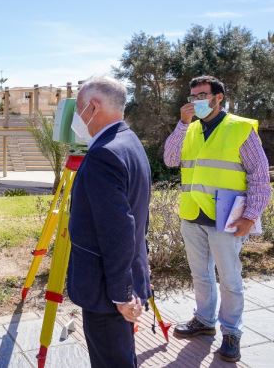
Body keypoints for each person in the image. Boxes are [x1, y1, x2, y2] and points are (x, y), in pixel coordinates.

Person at [164, 75, 271, 362]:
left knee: (230, 279)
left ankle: (232, 332)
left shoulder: (240, 128)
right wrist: (182, 124)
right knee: (200, 275)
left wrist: (251, 215)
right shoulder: (189, 129)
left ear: (218, 97)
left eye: (202, 95)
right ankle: (204, 320)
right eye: (192, 95)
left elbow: (260, 177)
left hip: (228, 216)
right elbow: (171, 159)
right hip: (192, 213)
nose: (196, 100)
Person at [67, 76, 151, 368]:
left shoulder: (103, 154)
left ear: (92, 106)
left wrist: (121, 294)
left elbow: (118, 230)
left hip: (107, 289)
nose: (77, 117)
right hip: (126, 275)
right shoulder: (129, 141)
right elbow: (139, 216)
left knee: (112, 361)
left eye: (78, 109)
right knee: (121, 355)